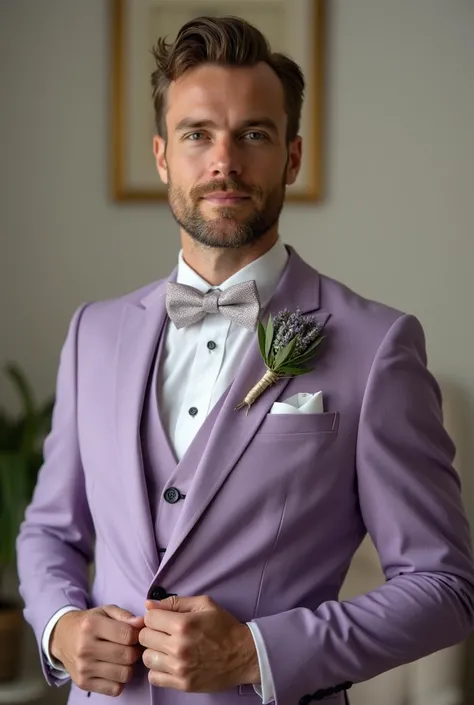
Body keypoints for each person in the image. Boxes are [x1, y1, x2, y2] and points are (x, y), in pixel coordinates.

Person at [16, 15, 474, 705]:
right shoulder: (94, 334)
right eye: (197, 134)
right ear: (163, 155)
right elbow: (50, 530)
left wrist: (257, 651)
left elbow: (444, 587)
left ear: (291, 157)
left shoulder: (379, 346)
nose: (223, 160)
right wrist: (60, 625)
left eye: (253, 134)